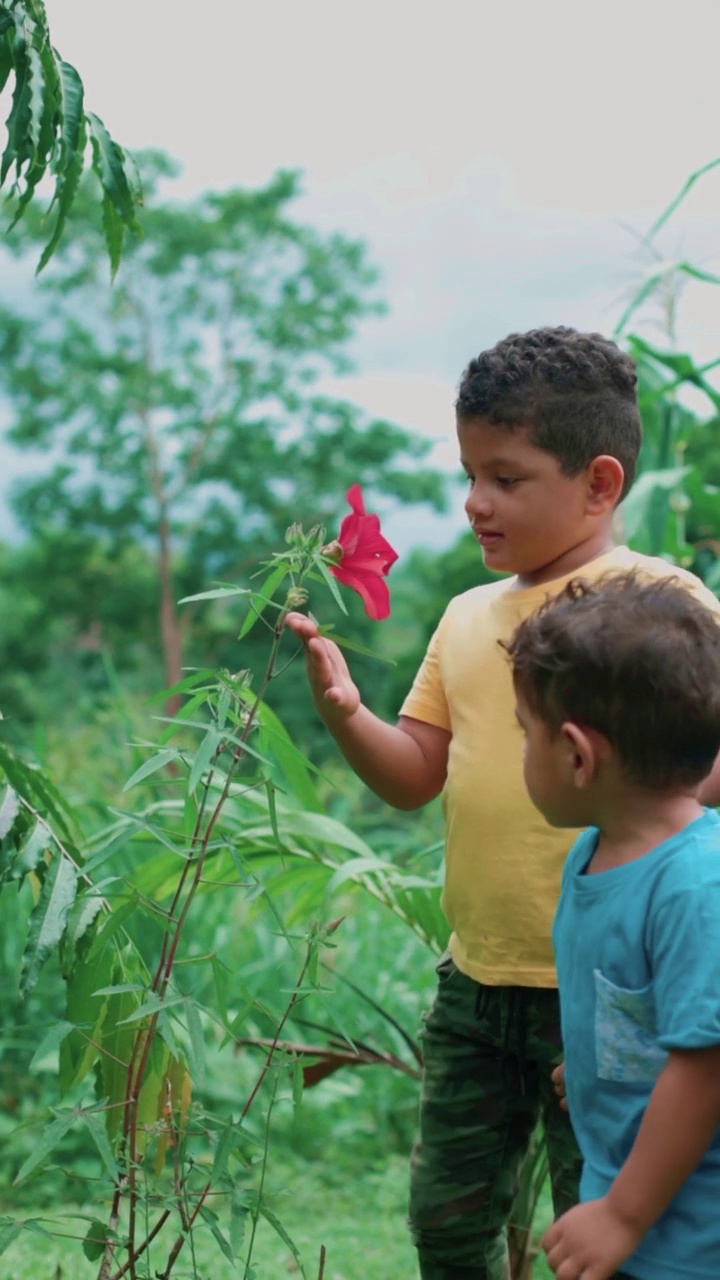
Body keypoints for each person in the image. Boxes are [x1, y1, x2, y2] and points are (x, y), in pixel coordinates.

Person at [285, 326, 720, 1280]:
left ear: (599, 484)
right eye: (468, 474)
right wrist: (348, 712)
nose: (477, 502)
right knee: (448, 1223)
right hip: (477, 982)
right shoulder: (466, 618)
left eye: (507, 478)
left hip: (613, 991)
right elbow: (414, 775)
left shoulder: (659, 603)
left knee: (600, 1217)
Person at [505, 573, 720, 1280]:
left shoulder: (695, 886)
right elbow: (650, 1006)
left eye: (523, 734)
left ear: (576, 753)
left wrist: (623, 1215)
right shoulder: (597, 852)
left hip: (689, 1234)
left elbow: (707, 1065)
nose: (521, 754)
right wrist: (607, 1057)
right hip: (633, 1197)